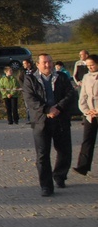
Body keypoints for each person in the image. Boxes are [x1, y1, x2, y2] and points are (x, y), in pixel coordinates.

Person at [22, 54, 76, 196]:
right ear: (38, 64)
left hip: (60, 119)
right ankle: (46, 186)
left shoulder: (62, 77)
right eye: (44, 62)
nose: (48, 65)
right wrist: (47, 109)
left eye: (50, 62)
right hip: (41, 121)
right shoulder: (30, 79)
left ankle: (59, 175)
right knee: (42, 155)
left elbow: (71, 94)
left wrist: (58, 108)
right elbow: (30, 99)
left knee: (65, 151)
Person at [74, 53, 98, 176]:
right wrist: (86, 110)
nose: (90, 68)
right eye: (88, 66)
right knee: (87, 140)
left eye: (92, 65)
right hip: (90, 115)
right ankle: (83, 166)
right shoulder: (86, 77)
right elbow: (82, 97)